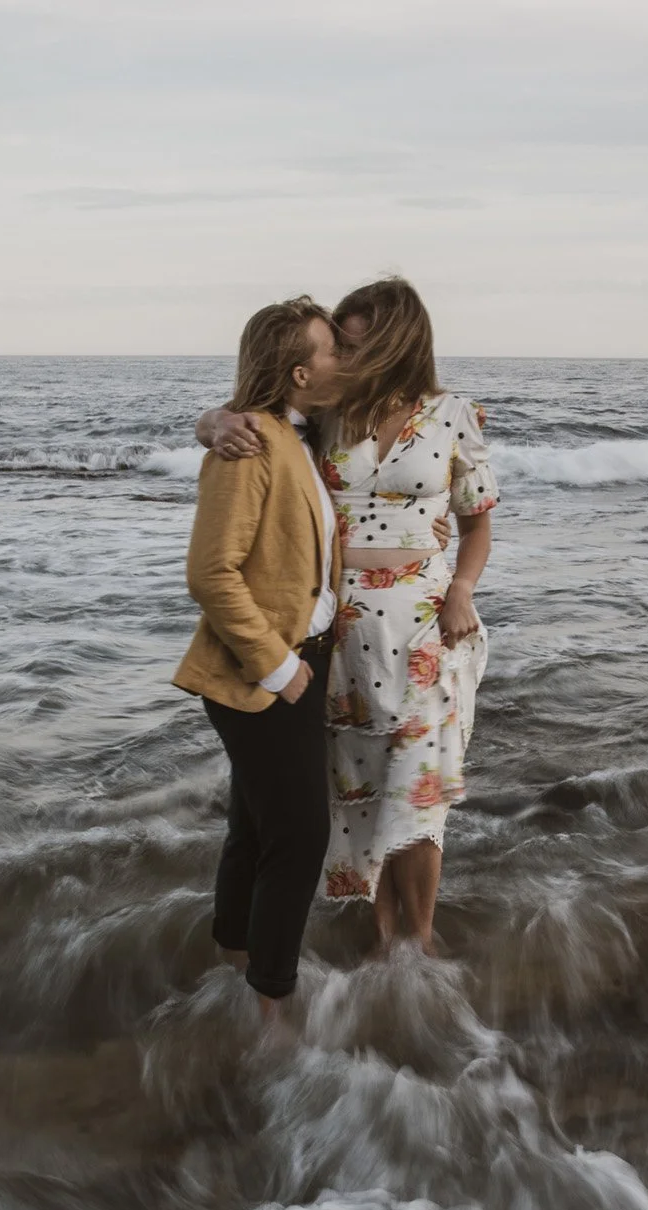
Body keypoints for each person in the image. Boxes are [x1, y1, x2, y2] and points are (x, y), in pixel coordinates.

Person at [199, 278, 498, 955]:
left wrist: (463, 592)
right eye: (342, 348)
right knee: (360, 791)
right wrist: (213, 422)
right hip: (338, 633)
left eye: (358, 345)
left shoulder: (453, 416)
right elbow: (257, 414)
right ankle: (376, 937)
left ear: (397, 343)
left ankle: (416, 947)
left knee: (418, 794)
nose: (348, 359)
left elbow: (476, 524)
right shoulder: (325, 416)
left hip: (428, 625)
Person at [174, 295, 343, 1021]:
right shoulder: (248, 447)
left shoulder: (303, 430)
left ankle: (232, 958)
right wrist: (280, 668)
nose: (346, 360)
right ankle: (272, 1010)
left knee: (254, 825)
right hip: (268, 670)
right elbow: (210, 574)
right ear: (301, 372)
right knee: (299, 838)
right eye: (334, 350)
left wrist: (207, 415)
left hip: (309, 657)